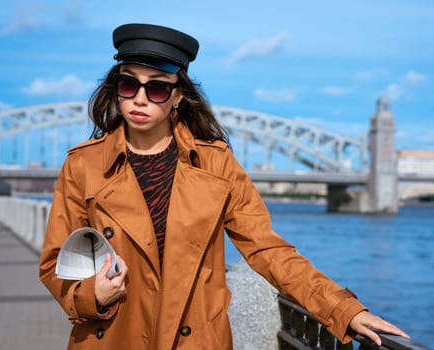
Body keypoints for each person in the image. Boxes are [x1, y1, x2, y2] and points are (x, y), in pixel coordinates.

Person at [39, 23, 409, 349]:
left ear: (178, 96)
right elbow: (55, 263)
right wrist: (92, 296)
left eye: (157, 89)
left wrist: (342, 309)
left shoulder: (215, 164)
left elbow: (267, 249)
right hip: (113, 335)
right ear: (116, 89)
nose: (139, 97)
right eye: (128, 83)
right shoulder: (83, 164)